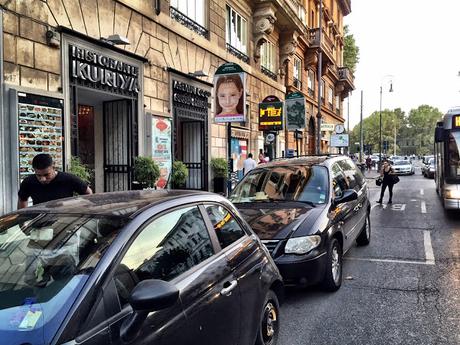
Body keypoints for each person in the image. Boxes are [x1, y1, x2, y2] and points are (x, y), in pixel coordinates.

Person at [18, 153, 93, 209]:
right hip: (40, 222)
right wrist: (22, 221)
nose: (43, 179)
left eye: (47, 175)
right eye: (39, 175)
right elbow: (22, 200)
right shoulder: (28, 182)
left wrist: (72, 205)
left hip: (64, 221)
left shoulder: (69, 179)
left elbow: (88, 194)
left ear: (53, 167)